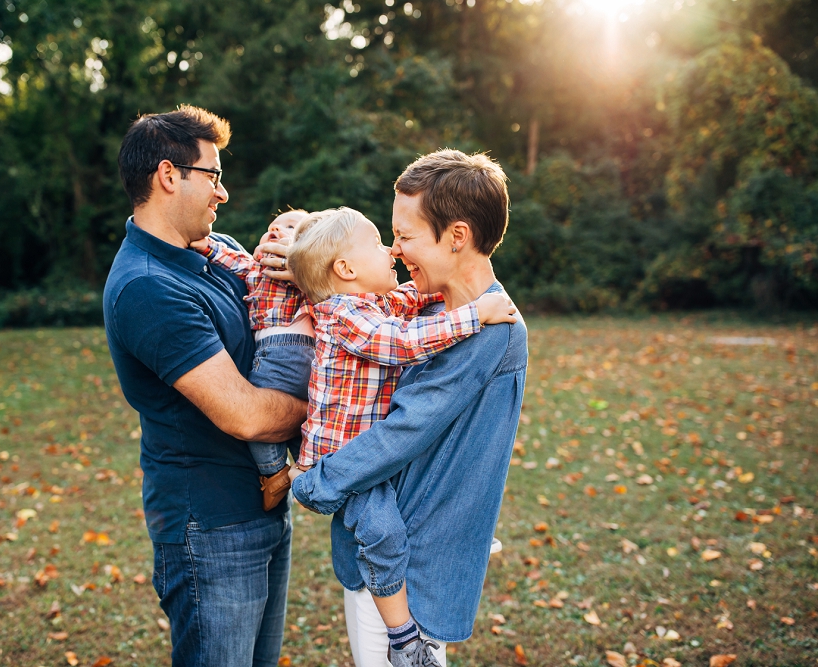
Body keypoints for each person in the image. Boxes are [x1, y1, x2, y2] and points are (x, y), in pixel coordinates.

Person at [290, 150, 529, 667]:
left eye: (405, 236)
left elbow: (402, 432)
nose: (395, 252)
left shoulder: (489, 333)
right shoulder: (433, 309)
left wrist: (317, 480)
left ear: (457, 236)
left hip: (412, 561)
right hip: (378, 547)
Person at [103, 105, 307, 667]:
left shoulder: (212, 257)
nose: (223, 192)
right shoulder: (147, 288)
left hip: (262, 508)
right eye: (213, 175)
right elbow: (248, 416)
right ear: (169, 176)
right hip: (211, 531)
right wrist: (330, 402)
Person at [191, 209, 314, 510]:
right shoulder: (256, 268)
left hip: (278, 349)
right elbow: (232, 258)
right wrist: (205, 245)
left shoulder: (310, 271)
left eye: (289, 227)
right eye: (271, 227)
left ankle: (273, 472)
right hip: (310, 355)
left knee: (261, 409)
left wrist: (308, 265)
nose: (275, 230)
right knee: (302, 421)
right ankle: (311, 467)